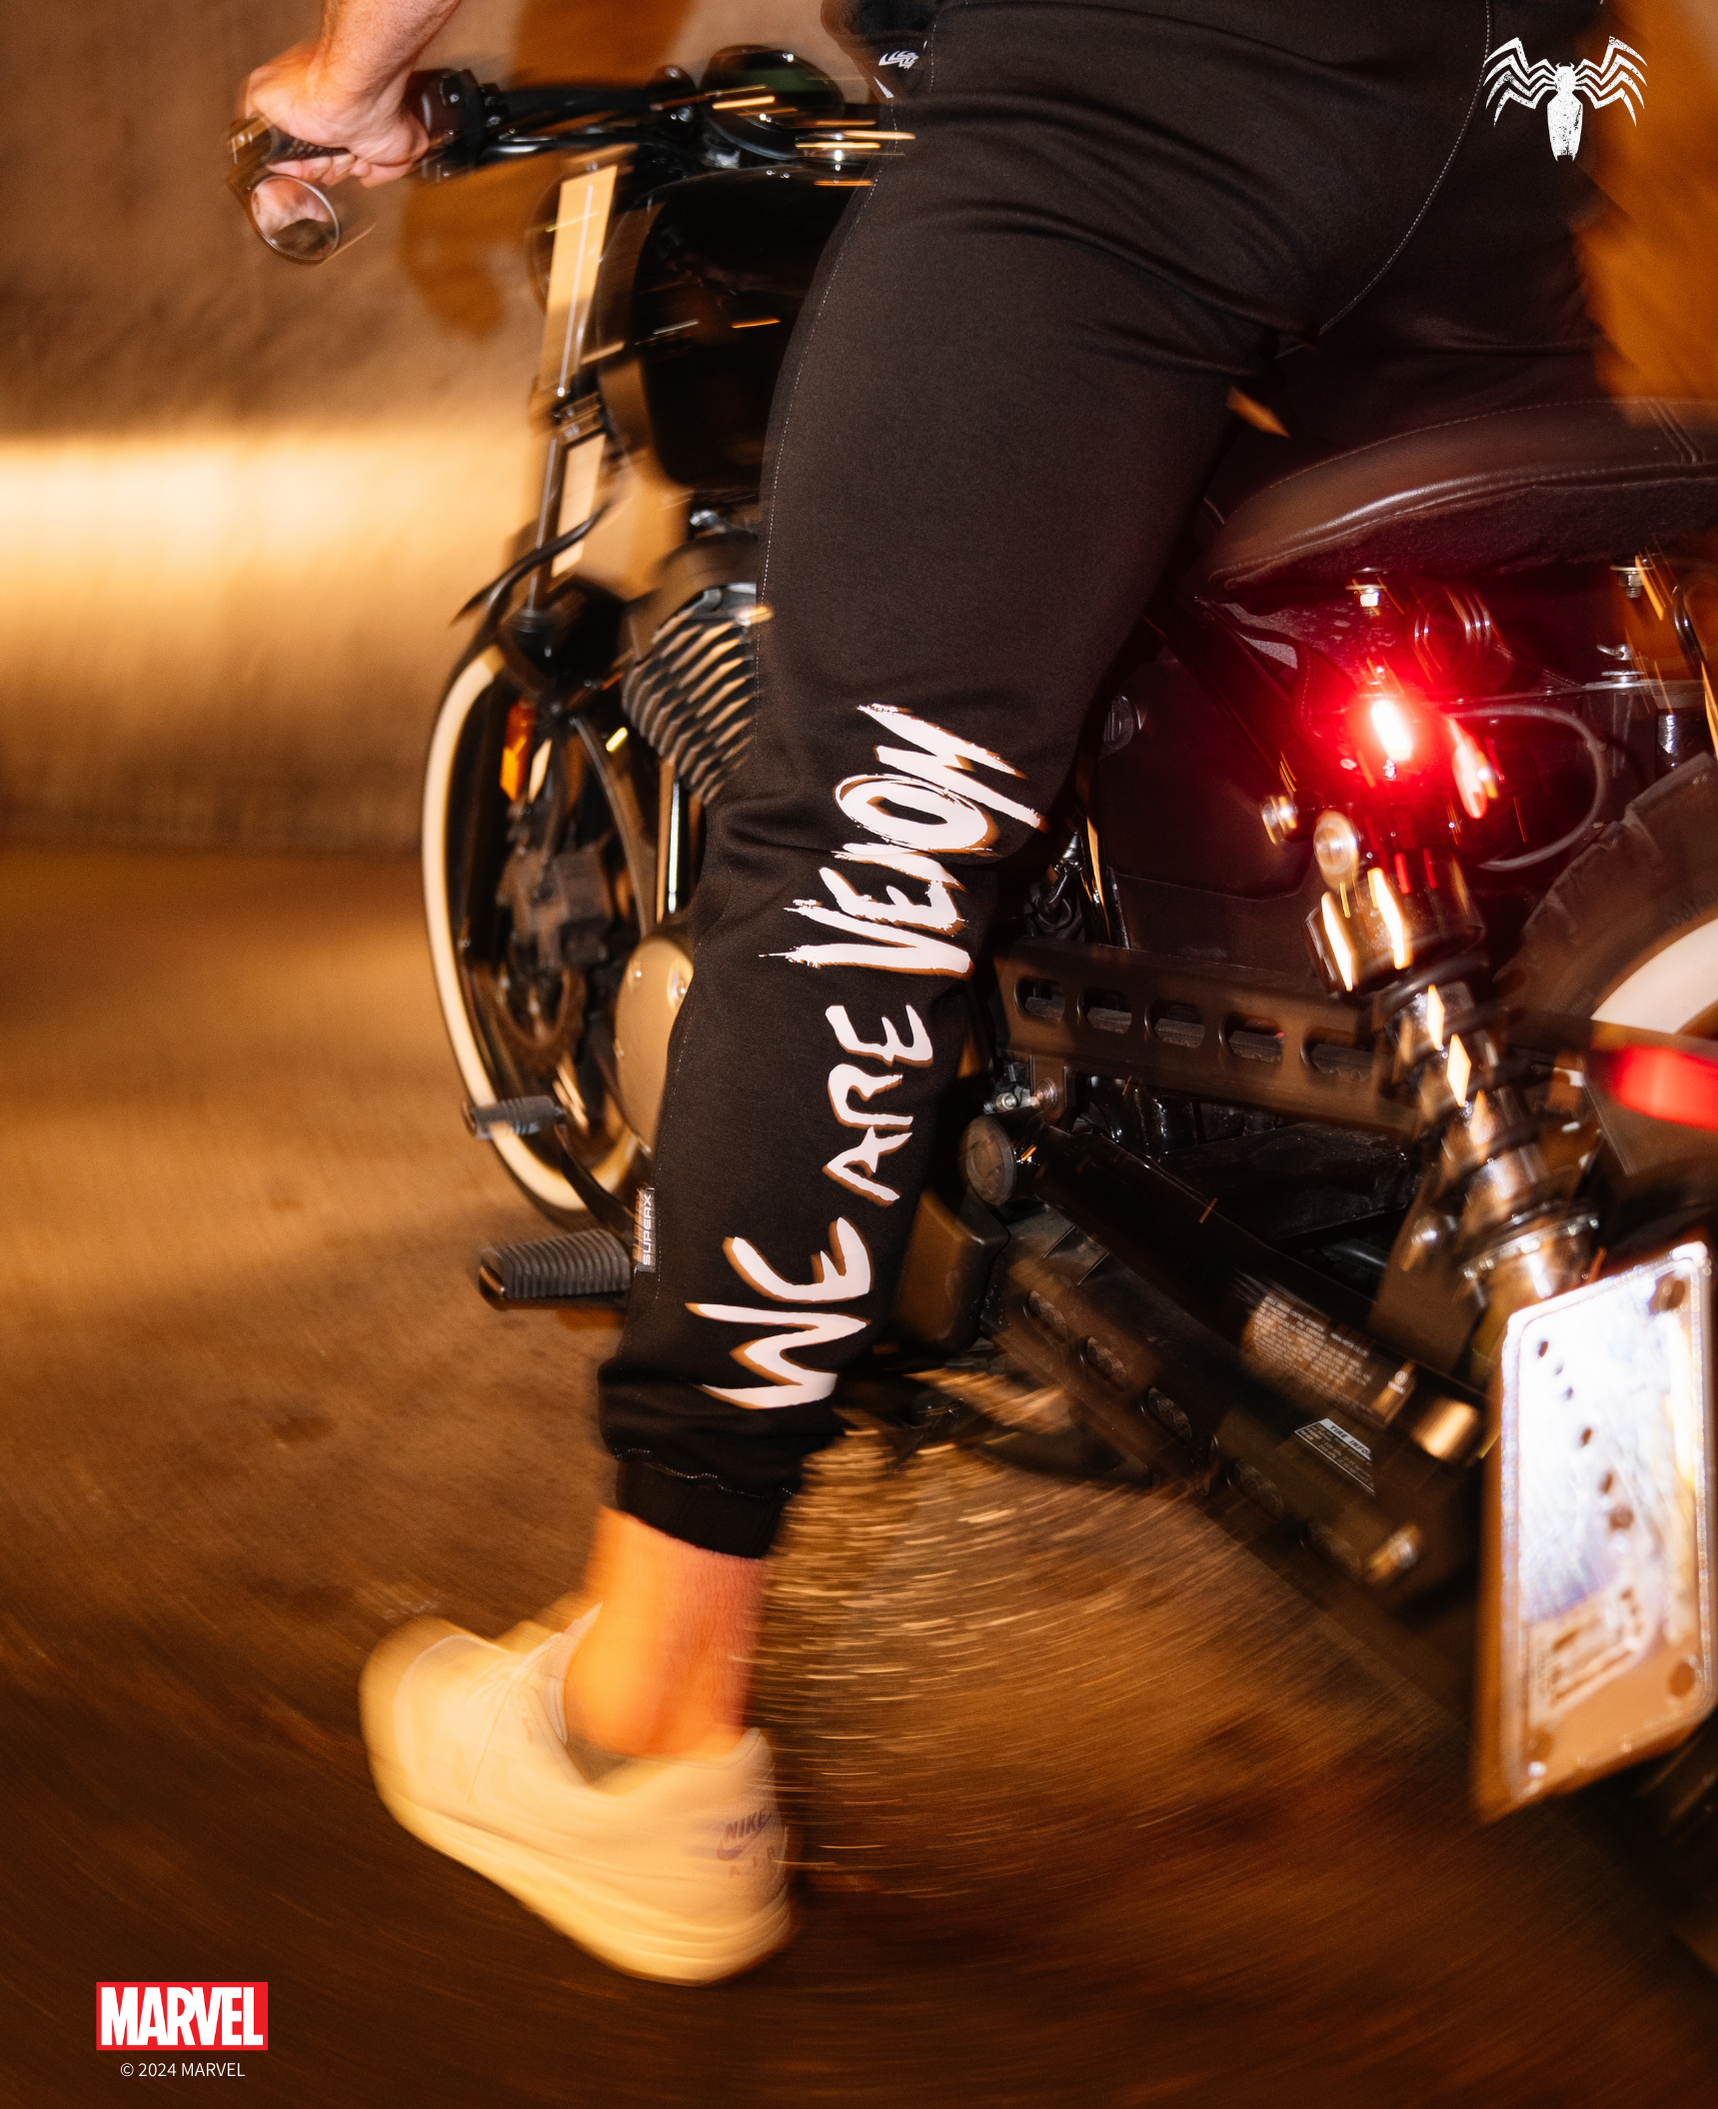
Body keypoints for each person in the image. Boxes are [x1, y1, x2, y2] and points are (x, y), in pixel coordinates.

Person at [241, 0, 1620, 1983]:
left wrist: (344, 80)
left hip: (1136, 86)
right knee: (1538, 795)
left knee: (869, 843)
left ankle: (642, 1732)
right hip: (1504, 106)